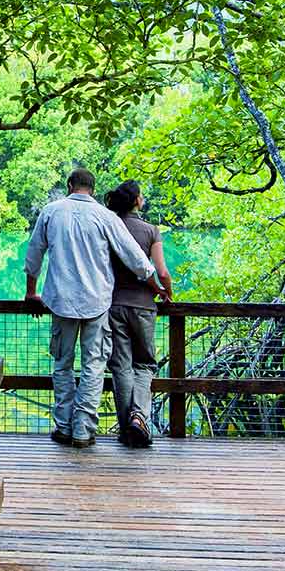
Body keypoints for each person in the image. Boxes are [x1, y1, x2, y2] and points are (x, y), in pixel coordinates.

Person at [24, 169, 158, 448]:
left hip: (60, 301)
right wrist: (154, 284)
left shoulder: (51, 212)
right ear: (93, 189)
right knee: (93, 367)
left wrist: (31, 292)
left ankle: (63, 426)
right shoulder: (105, 216)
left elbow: (34, 252)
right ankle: (83, 431)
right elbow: (134, 256)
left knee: (62, 365)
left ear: (69, 185)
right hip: (97, 302)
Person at [104, 181, 172, 448]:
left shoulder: (109, 227)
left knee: (120, 366)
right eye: (142, 196)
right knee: (144, 364)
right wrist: (167, 293)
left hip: (113, 305)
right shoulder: (150, 231)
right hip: (143, 305)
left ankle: (126, 429)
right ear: (136, 201)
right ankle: (139, 418)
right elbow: (162, 272)